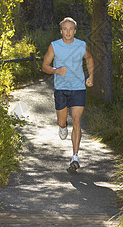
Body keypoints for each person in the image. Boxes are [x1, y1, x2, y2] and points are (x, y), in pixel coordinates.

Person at [42, 17, 94, 171]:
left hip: (78, 88)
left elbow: (89, 59)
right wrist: (55, 70)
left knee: (77, 120)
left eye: (71, 28)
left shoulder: (81, 45)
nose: (68, 31)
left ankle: (75, 156)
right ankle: (62, 126)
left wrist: (91, 76)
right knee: (62, 121)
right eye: (65, 28)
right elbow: (45, 66)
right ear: (61, 31)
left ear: (75, 31)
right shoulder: (54, 46)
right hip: (61, 89)